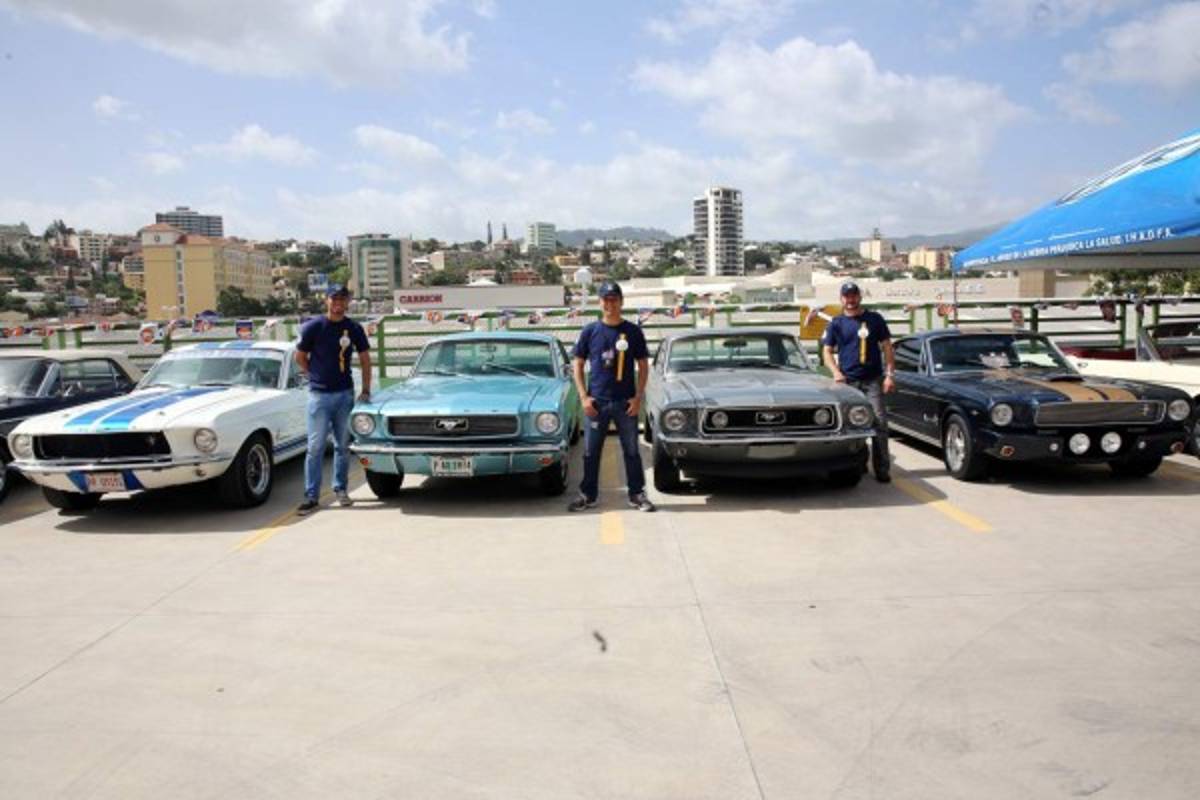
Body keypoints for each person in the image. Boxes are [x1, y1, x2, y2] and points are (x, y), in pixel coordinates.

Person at [568, 281, 656, 512]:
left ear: (621, 302)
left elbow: (643, 365)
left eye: (614, 299)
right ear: (600, 303)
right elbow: (577, 364)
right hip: (597, 402)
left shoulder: (633, 331)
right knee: (590, 452)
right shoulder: (590, 331)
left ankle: (636, 494)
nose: (610, 304)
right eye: (606, 300)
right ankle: (588, 495)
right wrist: (584, 397)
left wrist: (638, 397)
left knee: (632, 451)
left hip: (625, 402)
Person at [295, 285, 372, 514]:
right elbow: (300, 356)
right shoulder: (313, 327)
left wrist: (366, 389)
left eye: (342, 299)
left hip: (344, 394)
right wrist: (314, 375)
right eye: (334, 299)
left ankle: (341, 489)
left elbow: (366, 359)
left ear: (347, 302)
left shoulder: (354, 328)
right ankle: (311, 496)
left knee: (342, 446)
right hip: (319, 396)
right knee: (315, 447)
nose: (338, 303)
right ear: (326, 301)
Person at [822, 281, 895, 482]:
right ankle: (857, 463)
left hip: (872, 380)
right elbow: (827, 351)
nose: (850, 300)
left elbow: (887, 347)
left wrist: (890, 375)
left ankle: (882, 468)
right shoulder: (836, 323)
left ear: (859, 297)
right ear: (841, 299)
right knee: (852, 425)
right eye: (847, 296)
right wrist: (836, 372)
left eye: (854, 296)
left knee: (879, 423)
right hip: (848, 382)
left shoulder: (875, 319)